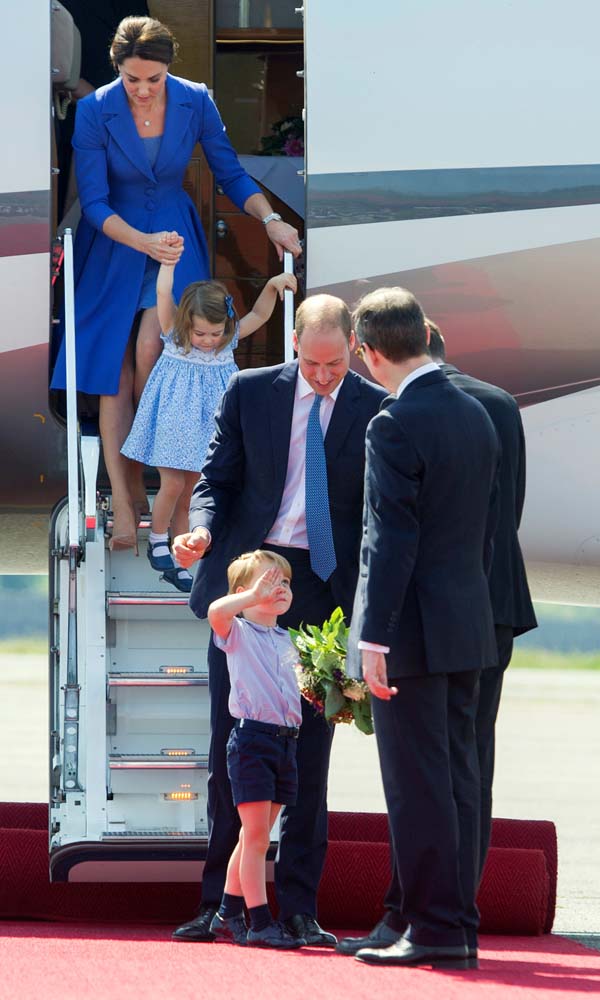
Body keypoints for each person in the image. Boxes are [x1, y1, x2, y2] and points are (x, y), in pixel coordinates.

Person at [170, 294, 387, 946]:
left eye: (337, 363)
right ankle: (221, 905)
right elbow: (216, 479)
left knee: (309, 758)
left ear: (352, 345)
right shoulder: (250, 390)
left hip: (320, 594)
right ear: (295, 343)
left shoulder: (375, 406)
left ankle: (297, 909)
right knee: (229, 754)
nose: (324, 375)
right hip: (248, 581)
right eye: (314, 362)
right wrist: (201, 531)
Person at [50, 15, 301, 549]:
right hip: (114, 242)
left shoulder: (196, 99)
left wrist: (268, 218)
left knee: (154, 349)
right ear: (117, 69)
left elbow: (228, 171)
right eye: (131, 79)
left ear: (170, 70)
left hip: (176, 238)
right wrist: (141, 241)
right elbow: (93, 202)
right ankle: (122, 497)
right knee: (111, 372)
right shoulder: (94, 111)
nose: (142, 91)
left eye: (153, 80)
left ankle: (158, 482)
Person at [344, 287, 500, 970]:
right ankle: (456, 920)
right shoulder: (478, 413)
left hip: (413, 630)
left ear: (368, 351)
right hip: (470, 623)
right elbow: (486, 532)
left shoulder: (393, 423)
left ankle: (433, 926)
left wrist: (371, 637)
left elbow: (391, 539)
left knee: (417, 783)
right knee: (461, 777)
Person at [121, 240, 297, 591]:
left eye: (215, 333)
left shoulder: (226, 341)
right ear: (188, 323)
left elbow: (259, 316)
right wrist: (168, 262)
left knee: (192, 493)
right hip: (174, 420)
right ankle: (157, 539)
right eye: (201, 332)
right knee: (171, 484)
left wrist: (273, 284)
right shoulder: (176, 334)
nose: (207, 340)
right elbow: (163, 290)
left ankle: (182, 556)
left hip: (206, 428)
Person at [427, 320, 537, 870]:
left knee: (426, 757)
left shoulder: (399, 408)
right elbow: (511, 503)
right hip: (497, 599)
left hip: (435, 609)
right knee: (476, 749)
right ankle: (465, 891)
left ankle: (429, 894)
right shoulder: (501, 403)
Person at [207, 550, 305, 950]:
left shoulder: (290, 640)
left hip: (285, 744)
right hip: (252, 742)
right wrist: (250, 597)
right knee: (258, 836)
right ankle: (260, 921)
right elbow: (216, 611)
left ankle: (227, 912)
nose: (280, 589)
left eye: (284, 583)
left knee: (254, 837)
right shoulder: (239, 633)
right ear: (245, 593)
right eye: (270, 582)